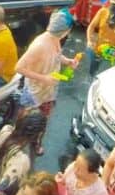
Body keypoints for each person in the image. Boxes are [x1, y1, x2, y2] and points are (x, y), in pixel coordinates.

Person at [15, 10, 78, 156]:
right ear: (64, 30)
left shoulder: (55, 39)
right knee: (25, 119)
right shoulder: (39, 45)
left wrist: (67, 61)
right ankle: (16, 142)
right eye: (68, 30)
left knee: (43, 120)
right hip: (34, 92)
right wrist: (44, 78)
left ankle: (36, 142)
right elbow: (18, 67)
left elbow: (57, 55)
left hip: (49, 91)